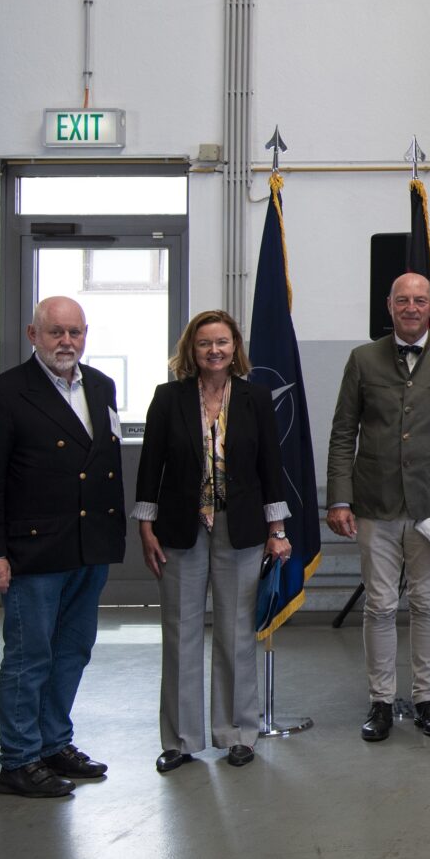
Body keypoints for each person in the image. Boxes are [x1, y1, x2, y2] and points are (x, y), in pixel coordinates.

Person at [0, 296, 126, 798]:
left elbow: (105, 464)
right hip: (32, 552)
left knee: (73, 651)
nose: (66, 342)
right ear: (33, 336)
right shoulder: (2, 395)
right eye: (56, 332)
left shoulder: (100, 386)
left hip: (87, 546)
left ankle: (54, 741)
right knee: (29, 656)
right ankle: (18, 760)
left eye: (75, 332)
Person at [326, 272, 430, 742]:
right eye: (403, 300)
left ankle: (426, 698)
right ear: (389, 306)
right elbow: (342, 432)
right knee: (378, 605)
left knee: (427, 601)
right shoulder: (362, 359)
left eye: (419, 300)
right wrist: (339, 497)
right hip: (376, 502)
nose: (411, 307)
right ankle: (380, 700)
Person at [133, 310, 292, 772]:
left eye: (222, 342)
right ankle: (181, 740)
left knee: (236, 634)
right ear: (192, 350)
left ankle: (238, 733)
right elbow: (150, 466)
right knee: (181, 633)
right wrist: (145, 523)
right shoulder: (168, 398)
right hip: (180, 529)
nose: (214, 351)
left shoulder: (254, 398)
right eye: (205, 343)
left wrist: (277, 531)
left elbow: (270, 468)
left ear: (234, 347)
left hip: (240, 529)